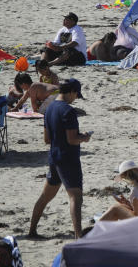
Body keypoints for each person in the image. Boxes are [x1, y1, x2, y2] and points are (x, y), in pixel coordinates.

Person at [29, 79, 91, 239]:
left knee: (45, 197)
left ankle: (32, 230)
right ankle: (78, 236)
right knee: (75, 197)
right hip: (68, 158)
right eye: (76, 95)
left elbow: (47, 139)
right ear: (71, 92)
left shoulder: (49, 109)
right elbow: (72, 139)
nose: (75, 98)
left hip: (54, 157)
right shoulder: (68, 111)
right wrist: (83, 138)